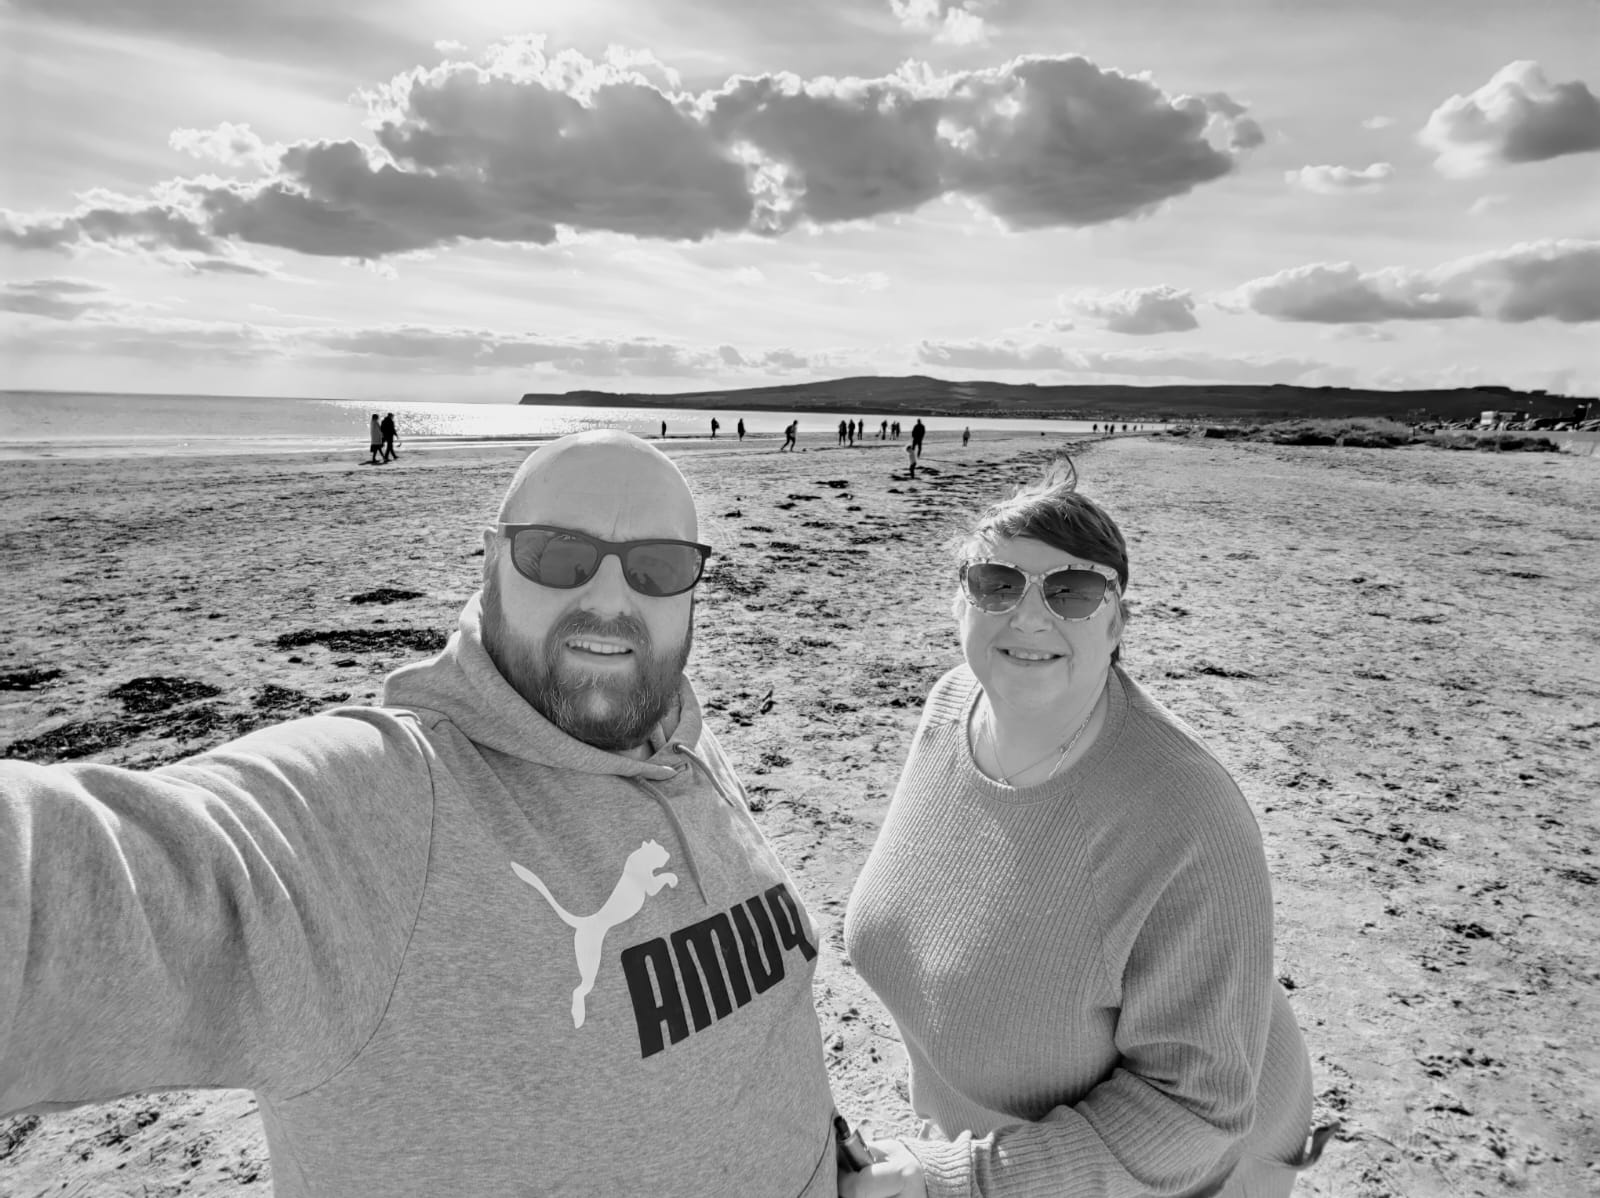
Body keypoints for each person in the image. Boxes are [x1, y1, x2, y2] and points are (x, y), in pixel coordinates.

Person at [0, 431, 841, 1197]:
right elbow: (87, 884)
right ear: (491, 563)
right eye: (559, 555)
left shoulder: (677, 732)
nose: (611, 599)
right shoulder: (385, 806)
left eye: (656, 567)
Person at [841, 458, 1328, 1198]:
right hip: (990, 1140)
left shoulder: (1188, 810)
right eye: (997, 584)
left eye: (1072, 591)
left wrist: (957, 1180)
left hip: (1197, 1171)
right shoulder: (950, 705)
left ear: (1117, 620)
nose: (1029, 616)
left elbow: (1195, 1111)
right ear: (960, 604)